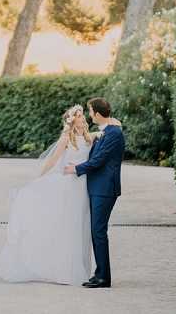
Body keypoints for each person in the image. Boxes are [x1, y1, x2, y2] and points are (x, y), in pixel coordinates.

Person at [0, 103, 120, 286]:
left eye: (84, 116)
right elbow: (52, 160)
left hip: (84, 188)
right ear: (72, 121)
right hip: (70, 187)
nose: (83, 120)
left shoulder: (89, 137)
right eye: (79, 117)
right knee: (69, 227)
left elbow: (104, 132)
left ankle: (84, 270)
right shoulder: (66, 138)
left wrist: (115, 124)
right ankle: (65, 270)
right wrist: (37, 177)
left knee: (82, 228)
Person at [64, 96, 125, 289]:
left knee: (98, 231)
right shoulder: (108, 131)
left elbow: (98, 160)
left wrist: (76, 169)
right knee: (96, 231)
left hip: (105, 189)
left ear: (97, 114)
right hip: (98, 187)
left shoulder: (113, 133)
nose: (89, 115)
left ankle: (103, 278)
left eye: (90, 112)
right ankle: (99, 274)